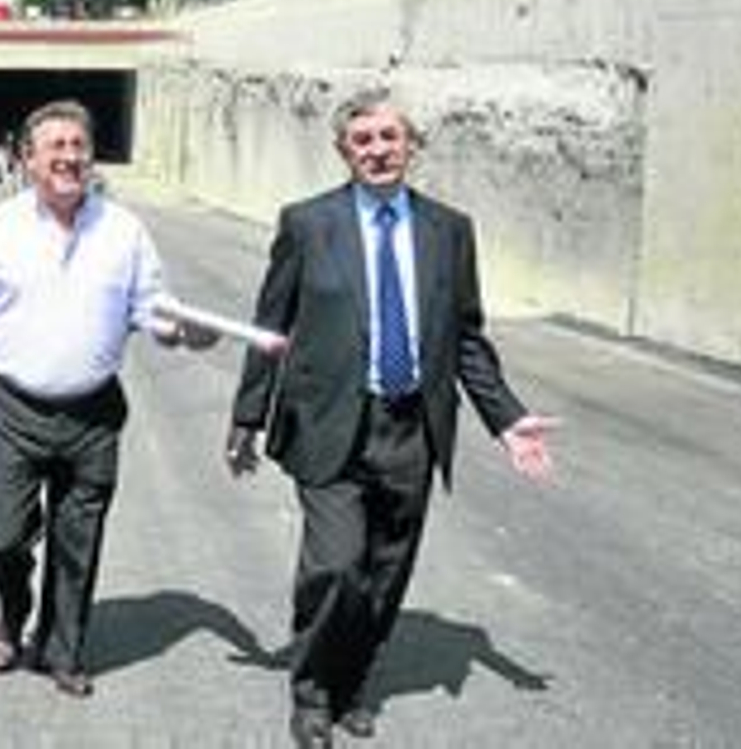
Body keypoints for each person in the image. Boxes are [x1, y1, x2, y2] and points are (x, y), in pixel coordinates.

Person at [226, 89, 556, 749]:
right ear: (344, 152)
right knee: (336, 566)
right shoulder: (307, 223)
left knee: (384, 570)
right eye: (363, 140)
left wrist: (507, 419)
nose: (378, 150)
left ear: (412, 144)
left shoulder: (449, 230)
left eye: (389, 137)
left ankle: (353, 681)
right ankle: (313, 692)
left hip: (412, 427)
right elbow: (271, 325)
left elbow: (464, 336)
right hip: (328, 421)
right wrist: (247, 416)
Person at [0, 99, 242, 698]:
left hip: (93, 414)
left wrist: (184, 329)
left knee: (78, 542)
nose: (68, 156)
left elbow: (154, 309)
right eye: (53, 146)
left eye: (78, 145)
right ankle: (13, 606)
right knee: (2, 539)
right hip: (12, 410)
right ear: (26, 159)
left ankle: (63, 650)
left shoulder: (123, 229)